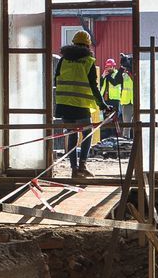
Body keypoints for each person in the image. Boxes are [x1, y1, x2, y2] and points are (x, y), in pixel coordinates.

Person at [52, 31, 103, 179]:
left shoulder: (63, 60)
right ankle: (83, 166)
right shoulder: (88, 61)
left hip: (64, 105)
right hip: (80, 106)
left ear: (73, 43)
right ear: (88, 45)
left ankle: (74, 170)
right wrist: (103, 105)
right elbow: (94, 87)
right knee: (87, 134)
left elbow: (56, 81)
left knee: (72, 136)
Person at [103, 55, 137, 140]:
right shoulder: (123, 73)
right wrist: (121, 68)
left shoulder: (135, 71)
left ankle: (137, 142)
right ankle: (127, 143)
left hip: (137, 101)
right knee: (127, 126)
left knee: (137, 125)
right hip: (126, 102)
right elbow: (115, 82)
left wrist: (129, 68)